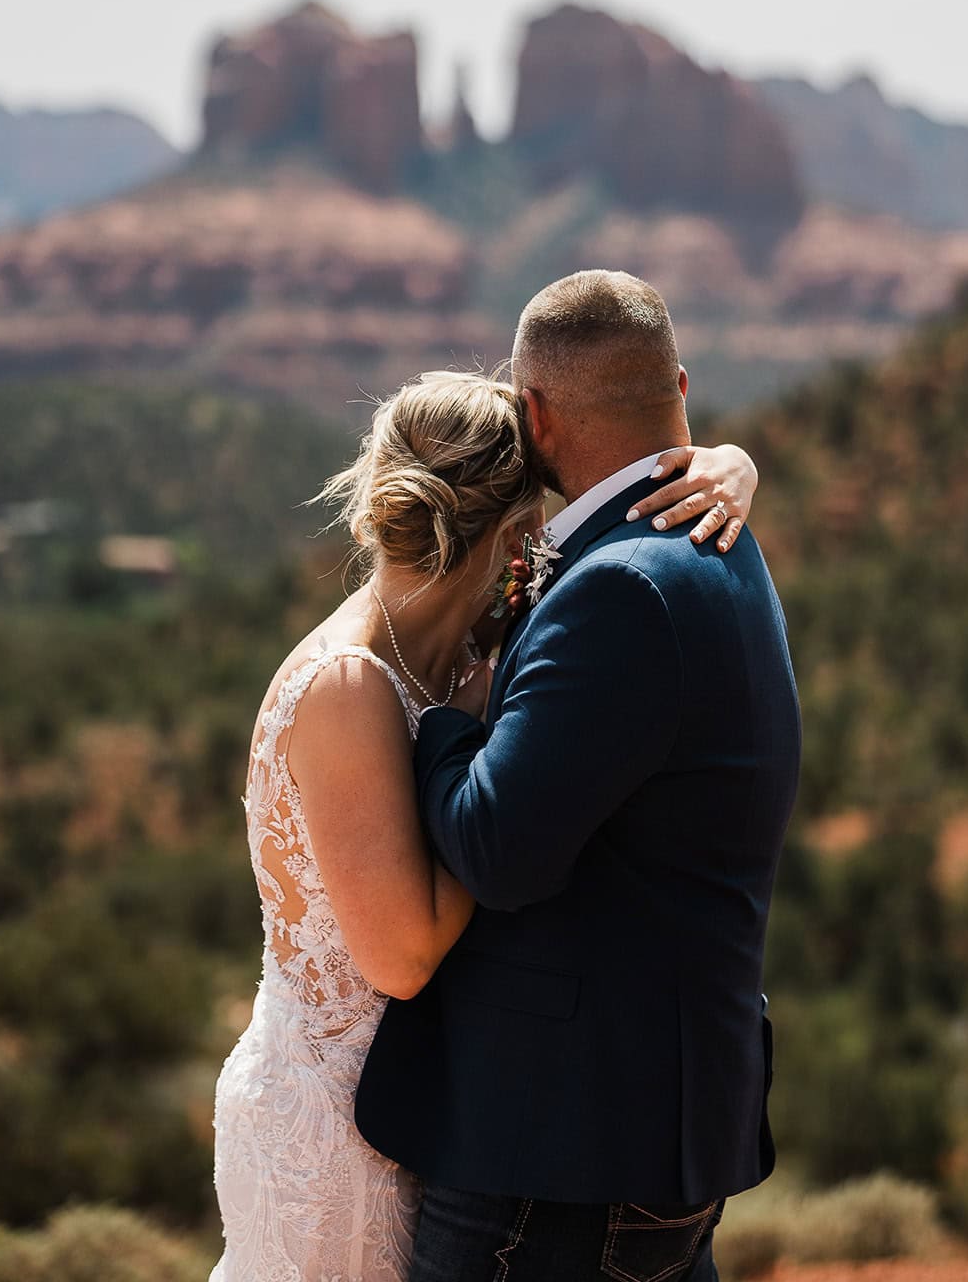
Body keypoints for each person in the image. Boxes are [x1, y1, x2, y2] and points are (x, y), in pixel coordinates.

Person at [209, 343, 765, 1281]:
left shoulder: (459, 646)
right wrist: (491, 773)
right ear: (515, 537)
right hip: (330, 1135)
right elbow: (404, 951)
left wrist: (730, 465)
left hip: (420, 1109)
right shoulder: (352, 685)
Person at [355, 271, 802, 1282]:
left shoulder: (620, 587)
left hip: (561, 1151)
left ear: (533, 414)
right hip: (642, 1125)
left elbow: (495, 849)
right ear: (677, 384)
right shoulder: (715, 543)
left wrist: (432, 720)